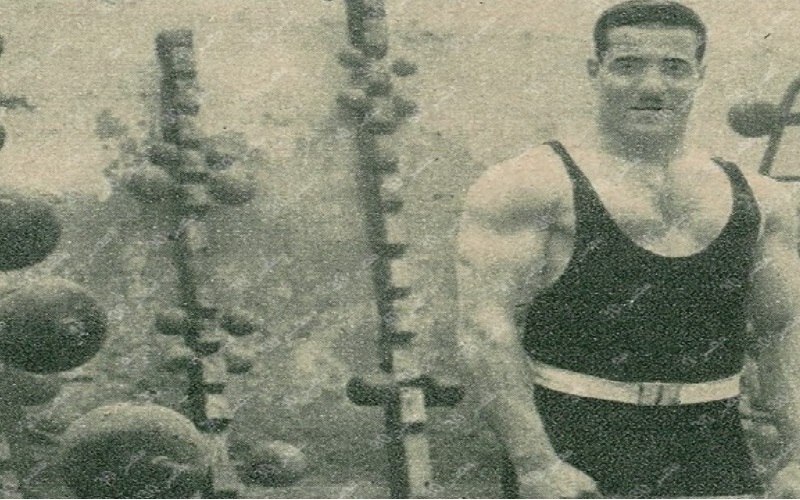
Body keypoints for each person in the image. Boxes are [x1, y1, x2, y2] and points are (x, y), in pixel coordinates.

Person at [456, 1, 800, 497]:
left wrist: (795, 457)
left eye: (674, 68)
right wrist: (536, 464)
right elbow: (484, 330)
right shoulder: (531, 184)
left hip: (712, 448)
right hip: (577, 446)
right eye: (628, 65)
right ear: (595, 71)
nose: (652, 86)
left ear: (699, 75)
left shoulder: (761, 199)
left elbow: (782, 334)